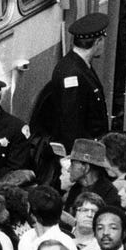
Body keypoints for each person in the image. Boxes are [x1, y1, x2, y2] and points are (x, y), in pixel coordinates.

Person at [29, 13, 108, 153]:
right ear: (97, 42)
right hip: (83, 150)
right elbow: (71, 122)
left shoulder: (78, 64)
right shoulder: (72, 74)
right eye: (102, 41)